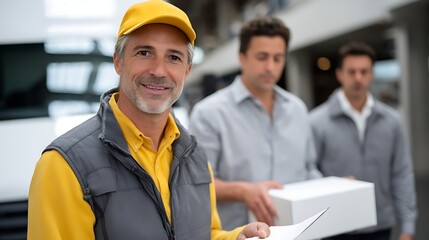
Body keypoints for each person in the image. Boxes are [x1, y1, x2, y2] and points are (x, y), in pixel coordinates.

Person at [27, 1, 271, 239]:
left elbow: (206, 233)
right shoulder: (64, 166)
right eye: (144, 52)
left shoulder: (195, 157)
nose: (158, 71)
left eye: (173, 57)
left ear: (187, 71)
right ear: (118, 62)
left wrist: (237, 237)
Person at [189, 16, 322, 230]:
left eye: (278, 58)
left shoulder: (297, 109)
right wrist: (243, 191)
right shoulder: (209, 114)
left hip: (299, 231)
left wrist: (336, 187)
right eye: (262, 57)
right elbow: (197, 185)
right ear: (242, 57)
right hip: (239, 233)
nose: (270, 67)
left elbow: (309, 170)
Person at [309, 41, 417, 240]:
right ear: (339, 74)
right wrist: (332, 185)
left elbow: (401, 173)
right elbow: (307, 170)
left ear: (372, 74)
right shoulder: (316, 122)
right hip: (335, 227)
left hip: (381, 224)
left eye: (363, 71)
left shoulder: (392, 121)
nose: (358, 78)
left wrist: (407, 226)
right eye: (351, 72)